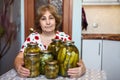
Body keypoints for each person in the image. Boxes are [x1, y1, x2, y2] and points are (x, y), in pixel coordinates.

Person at [14, 4, 86, 78]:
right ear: (39, 22)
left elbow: (78, 60)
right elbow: (19, 57)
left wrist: (82, 68)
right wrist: (19, 67)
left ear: (56, 21)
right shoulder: (32, 38)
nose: (48, 22)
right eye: (43, 19)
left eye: (51, 18)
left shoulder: (64, 38)